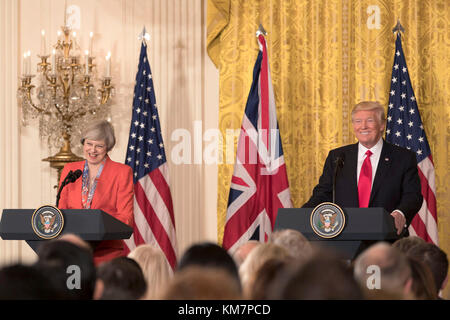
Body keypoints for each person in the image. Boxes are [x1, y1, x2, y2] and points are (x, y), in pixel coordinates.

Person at [303, 101, 423, 236]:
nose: (363, 126)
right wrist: (300, 216)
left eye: (370, 120)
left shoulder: (403, 158)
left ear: (382, 125)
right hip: (344, 236)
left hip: (387, 238)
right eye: (358, 121)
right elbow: (323, 193)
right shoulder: (337, 156)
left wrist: (400, 213)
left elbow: (413, 196)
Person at [57, 120, 134, 265]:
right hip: (72, 252)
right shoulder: (70, 170)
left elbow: (126, 218)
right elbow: (62, 211)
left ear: (108, 147)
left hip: (106, 252)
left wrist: (96, 225)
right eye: (89, 144)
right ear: (83, 143)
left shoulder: (122, 172)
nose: (92, 150)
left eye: (99, 146)